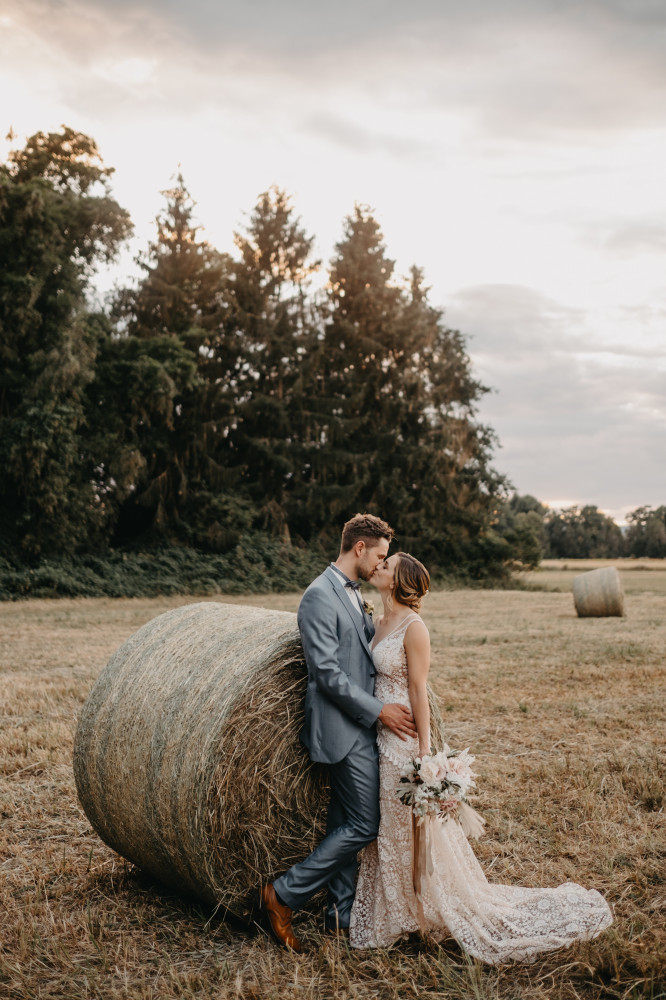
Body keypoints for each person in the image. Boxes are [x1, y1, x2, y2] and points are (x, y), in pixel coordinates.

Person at [349, 552, 613, 963]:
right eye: (381, 562)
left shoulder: (414, 628)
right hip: (377, 737)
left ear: (400, 580)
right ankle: (399, 909)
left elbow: (419, 691)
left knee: (409, 826)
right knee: (389, 828)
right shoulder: (377, 622)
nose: (379, 565)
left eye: (388, 564)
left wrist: (425, 759)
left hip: (403, 741)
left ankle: (424, 908)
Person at [259, 513, 418, 951]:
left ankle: (338, 914)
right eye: (381, 555)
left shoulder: (353, 595)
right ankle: (283, 893)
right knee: (365, 825)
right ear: (360, 548)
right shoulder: (318, 597)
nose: (381, 564)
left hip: (362, 726)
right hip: (343, 727)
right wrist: (379, 710)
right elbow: (326, 673)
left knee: (345, 823)